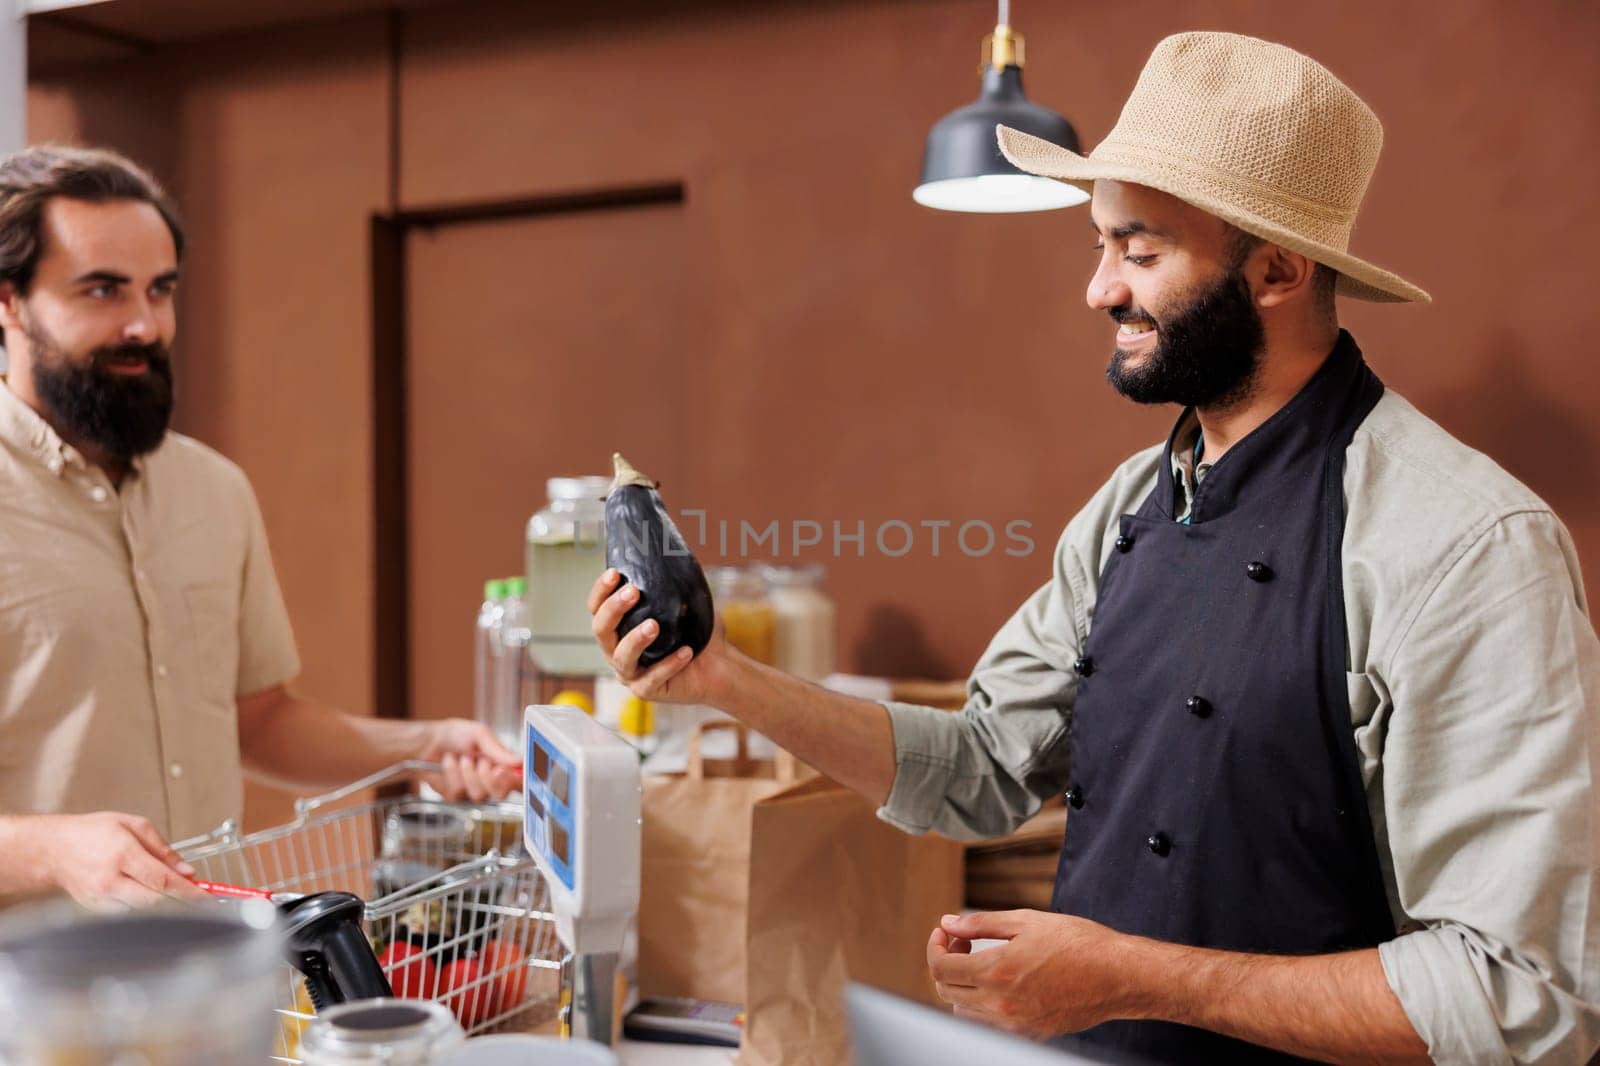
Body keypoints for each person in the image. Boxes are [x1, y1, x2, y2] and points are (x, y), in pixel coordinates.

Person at [589, 32, 1600, 1065]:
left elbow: (1518, 996)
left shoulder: (1467, 547)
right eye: (1098, 244)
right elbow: (981, 764)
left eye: (1141, 250)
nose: (1099, 289)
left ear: (1278, 271)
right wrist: (722, 679)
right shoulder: (1129, 506)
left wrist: (1128, 976)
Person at [0, 145, 520, 911]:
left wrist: (424, 746)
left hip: (212, 988)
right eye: (103, 291)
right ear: (9, 302)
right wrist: (54, 850)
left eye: (160, 290)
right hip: (33, 1014)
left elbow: (259, 720)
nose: (144, 324)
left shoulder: (215, 492)